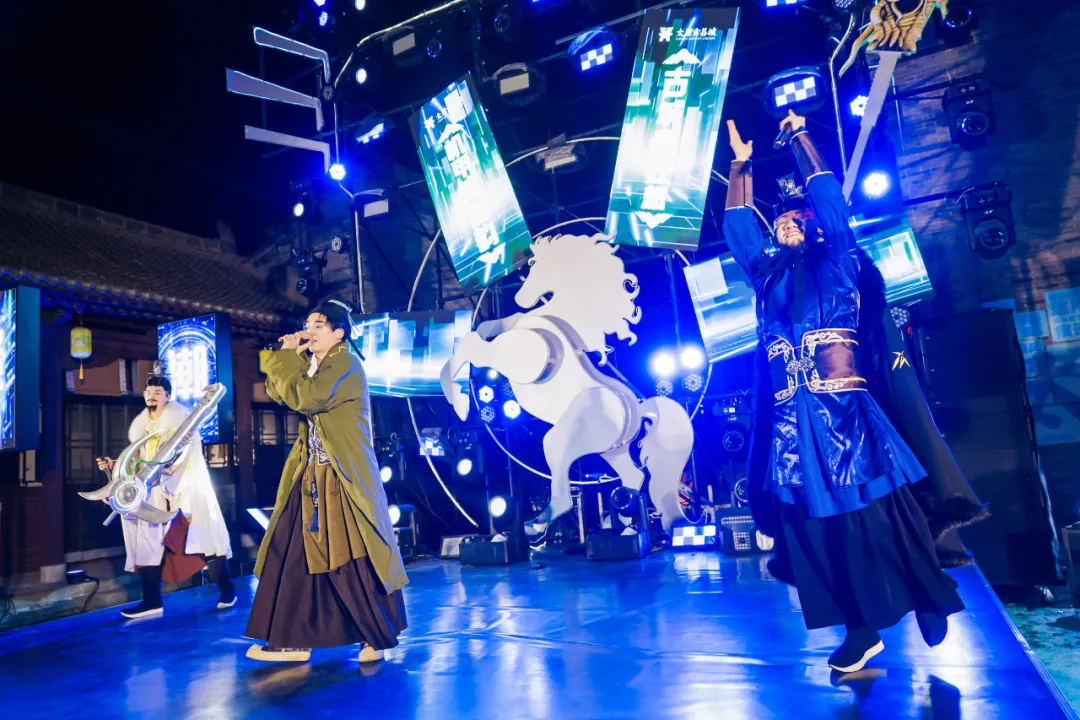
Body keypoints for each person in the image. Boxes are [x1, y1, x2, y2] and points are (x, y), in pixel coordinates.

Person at [723, 111, 972, 674]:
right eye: (780, 221)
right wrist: (740, 167)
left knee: (881, 519)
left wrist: (799, 138)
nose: (786, 226)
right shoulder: (766, 277)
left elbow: (833, 208)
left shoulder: (837, 262)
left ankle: (929, 597)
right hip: (792, 430)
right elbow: (739, 231)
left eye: (796, 219)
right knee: (815, 534)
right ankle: (860, 632)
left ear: (812, 227)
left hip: (845, 420)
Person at [245, 298, 408, 664]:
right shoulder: (316, 365)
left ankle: (375, 636)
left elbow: (308, 397)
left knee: (353, 558)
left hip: (342, 478)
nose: (310, 331)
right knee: (292, 555)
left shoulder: (346, 363)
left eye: (319, 325)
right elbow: (280, 392)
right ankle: (292, 640)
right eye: (309, 325)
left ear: (339, 333)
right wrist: (287, 356)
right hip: (312, 476)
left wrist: (287, 361)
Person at [97, 374, 235, 619]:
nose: (152, 396)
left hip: (183, 489)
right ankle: (152, 602)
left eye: (158, 393)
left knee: (201, 540)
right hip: (153, 492)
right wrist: (116, 464)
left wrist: (176, 453)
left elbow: (183, 457)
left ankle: (228, 591)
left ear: (168, 397)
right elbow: (140, 462)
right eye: (149, 392)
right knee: (146, 544)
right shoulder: (142, 426)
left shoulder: (180, 422)